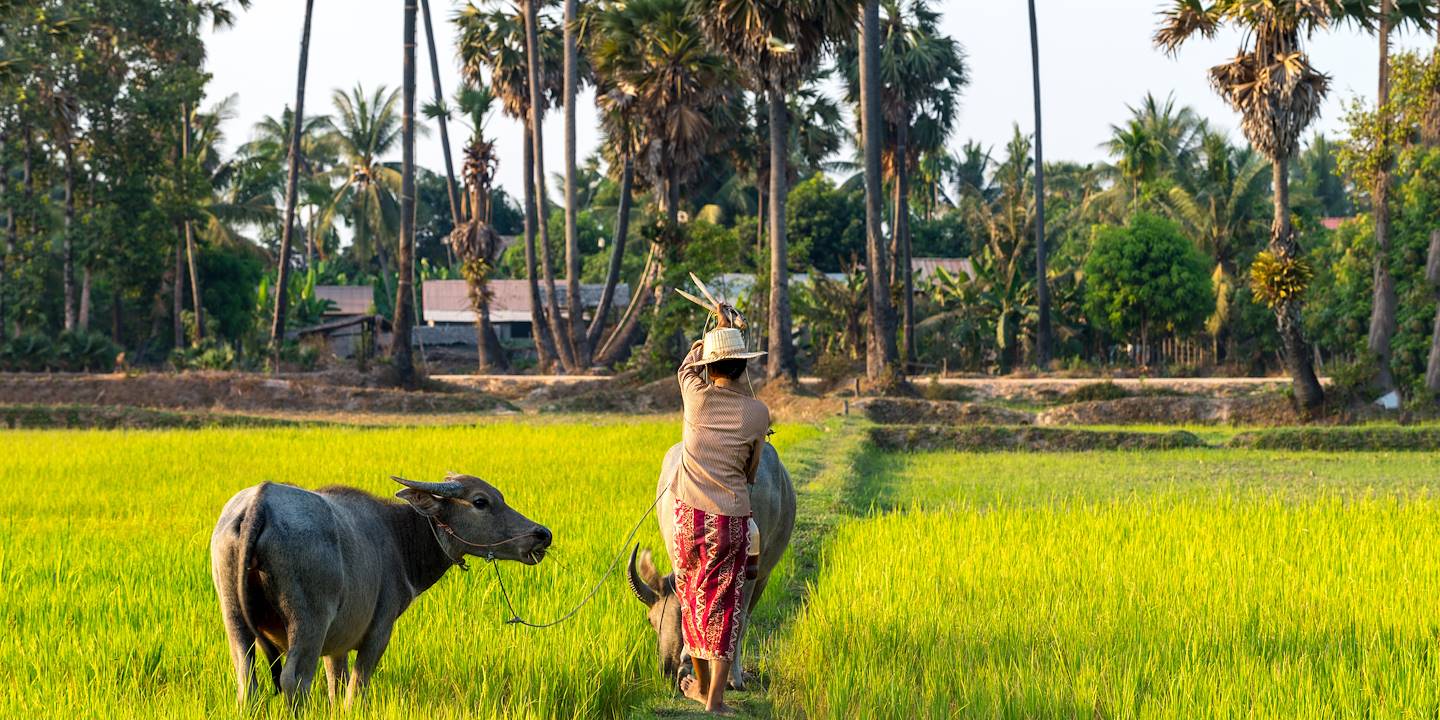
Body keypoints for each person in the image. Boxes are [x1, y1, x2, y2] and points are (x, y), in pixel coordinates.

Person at [671, 304, 770, 716]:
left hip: (688, 519)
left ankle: (700, 686)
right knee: (726, 604)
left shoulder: (695, 397)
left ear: (710, 367)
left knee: (692, 598)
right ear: (744, 367)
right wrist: (727, 330)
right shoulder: (758, 413)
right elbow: (751, 471)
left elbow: (686, 366)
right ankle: (715, 700)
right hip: (729, 521)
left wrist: (715, 330)